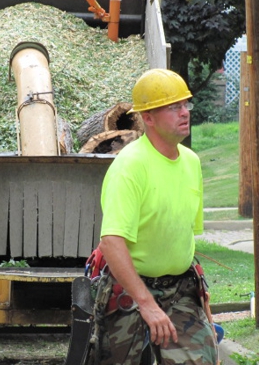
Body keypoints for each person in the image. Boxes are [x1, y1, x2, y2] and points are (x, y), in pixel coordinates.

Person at [97, 68, 218, 364]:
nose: (185, 112)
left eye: (185, 104)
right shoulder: (130, 167)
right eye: (173, 107)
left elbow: (181, 238)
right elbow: (111, 242)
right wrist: (147, 304)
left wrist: (205, 309)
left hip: (180, 290)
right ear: (148, 118)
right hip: (131, 289)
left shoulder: (191, 162)